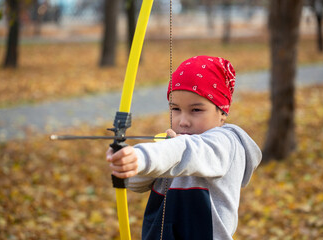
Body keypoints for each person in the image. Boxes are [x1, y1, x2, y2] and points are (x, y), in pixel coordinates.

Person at [106, 55, 262, 240]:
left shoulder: (225, 143)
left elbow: (188, 151)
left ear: (222, 112)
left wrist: (143, 157)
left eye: (196, 110)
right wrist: (128, 164)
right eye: (175, 109)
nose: (183, 121)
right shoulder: (171, 149)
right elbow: (136, 184)